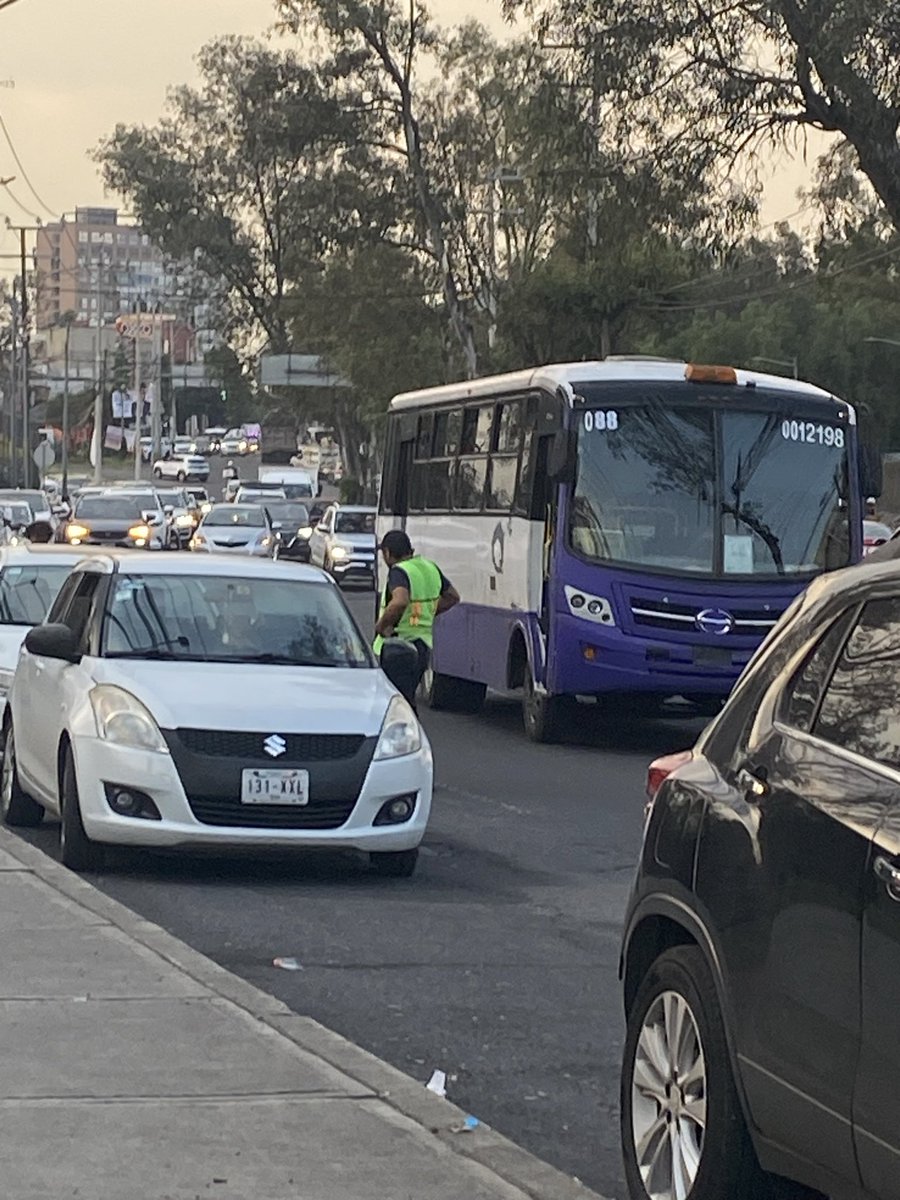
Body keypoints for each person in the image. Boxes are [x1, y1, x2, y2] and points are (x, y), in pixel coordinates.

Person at [373, 530, 459, 706]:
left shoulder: (399, 571)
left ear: (388, 553)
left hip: (398, 647)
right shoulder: (430, 567)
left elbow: (399, 601)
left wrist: (381, 626)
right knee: (407, 701)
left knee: (395, 703)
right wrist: (427, 612)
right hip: (423, 647)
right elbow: (452, 596)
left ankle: (407, 732)